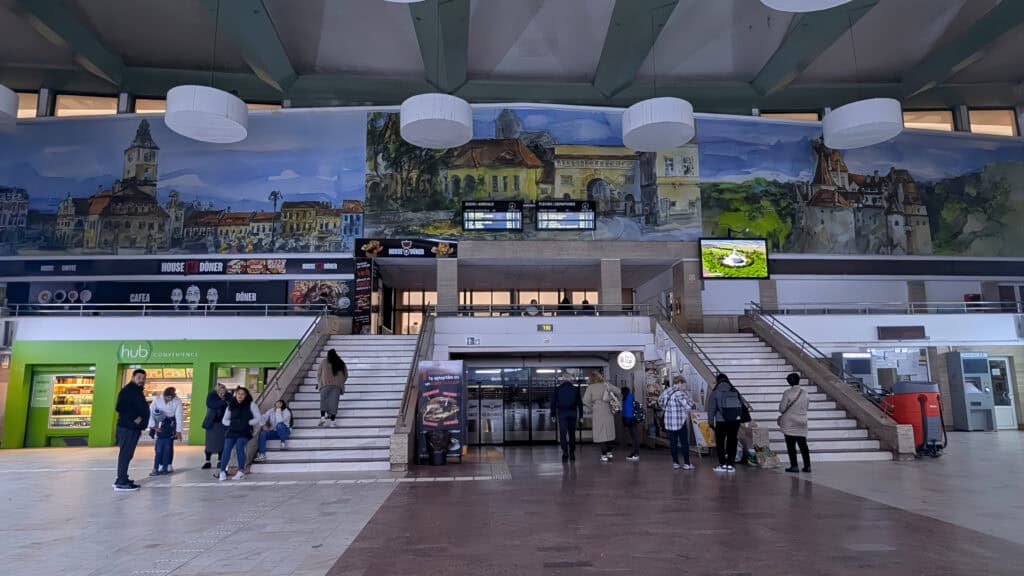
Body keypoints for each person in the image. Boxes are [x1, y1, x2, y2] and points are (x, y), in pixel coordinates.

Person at [113, 369, 150, 491]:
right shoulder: (128, 391)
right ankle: (121, 482)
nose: (141, 380)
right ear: (133, 377)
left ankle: (123, 478)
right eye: (139, 378)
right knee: (125, 454)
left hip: (132, 428)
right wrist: (134, 417)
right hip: (127, 428)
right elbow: (120, 407)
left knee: (128, 454)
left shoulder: (136, 391)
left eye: (143, 378)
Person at [219, 386, 261, 481]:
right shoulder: (231, 405)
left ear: (246, 395)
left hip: (244, 430)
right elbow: (224, 420)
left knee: (239, 447)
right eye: (238, 394)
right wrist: (232, 423)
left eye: (243, 394)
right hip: (232, 430)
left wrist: (247, 423)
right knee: (226, 449)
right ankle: (222, 471)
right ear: (235, 394)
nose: (240, 396)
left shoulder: (251, 405)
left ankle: (241, 471)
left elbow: (258, 417)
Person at [707, 373, 744, 473]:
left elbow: (711, 409)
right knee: (732, 441)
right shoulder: (734, 390)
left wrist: (710, 422)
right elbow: (741, 404)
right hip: (734, 421)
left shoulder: (715, 392)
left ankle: (722, 464)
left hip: (721, 421)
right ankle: (730, 465)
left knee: (720, 442)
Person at [582, 371, 620, 462]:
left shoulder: (590, 387)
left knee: (600, 433)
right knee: (609, 431)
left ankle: (603, 455)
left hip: (597, 411)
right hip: (607, 410)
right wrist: (611, 398)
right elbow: (618, 391)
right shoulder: (606, 384)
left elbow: (585, 400)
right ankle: (609, 452)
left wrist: (592, 407)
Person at [659, 376, 695, 470]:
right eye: (684, 384)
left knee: (673, 443)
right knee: (684, 443)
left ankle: (675, 463)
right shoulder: (680, 393)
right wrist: (691, 400)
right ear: (679, 383)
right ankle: (687, 464)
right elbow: (688, 406)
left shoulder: (666, 391)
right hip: (680, 422)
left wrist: (667, 410)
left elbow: (660, 402)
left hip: (669, 422)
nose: (684, 385)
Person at [779, 372, 811, 473]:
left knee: (791, 445)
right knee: (803, 444)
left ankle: (794, 466)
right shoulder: (805, 393)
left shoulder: (787, 393)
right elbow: (807, 407)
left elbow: (782, 409)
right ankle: (807, 466)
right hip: (802, 421)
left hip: (789, 422)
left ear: (789, 381)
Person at [147, 387, 183, 476]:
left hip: (170, 424)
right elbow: (150, 412)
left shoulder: (177, 401)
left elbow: (179, 416)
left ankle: (167, 465)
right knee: (159, 449)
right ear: (164, 395)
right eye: (167, 397)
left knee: (169, 446)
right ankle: (159, 465)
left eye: (171, 397)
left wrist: (178, 431)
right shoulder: (157, 399)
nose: (169, 399)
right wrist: (153, 426)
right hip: (158, 424)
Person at [550, 374, 582, 462]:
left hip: (562, 414)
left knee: (563, 434)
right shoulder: (575, 389)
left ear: (563, 379)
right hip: (573, 414)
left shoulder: (558, 389)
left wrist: (553, 414)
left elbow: (553, 402)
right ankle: (572, 453)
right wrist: (581, 416)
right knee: (572, 434)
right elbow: (580, 403)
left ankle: (565, 453)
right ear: (571, 379)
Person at [201, 383, 228, 470]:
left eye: (223, 391)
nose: (222, 393)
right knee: (209, 444)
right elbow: (211, 404)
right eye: (220, 391)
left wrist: (225, 400)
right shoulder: (211, 397)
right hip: (211, 424)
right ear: (216, 391)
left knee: (221, 443)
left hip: (222, 424)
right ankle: (207, 461)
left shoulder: (227, 397)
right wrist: (223, 401)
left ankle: (220, 461)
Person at [317, 349, 348, 427]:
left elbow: (319, 374)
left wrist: (320, 382)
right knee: (334, 403)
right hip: (336, 386)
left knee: (324, 401)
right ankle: (332, 421)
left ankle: (323, 417)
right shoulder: (341, 362)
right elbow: (346, 375)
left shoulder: (324, 361)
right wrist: (341, 382)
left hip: (325, 385)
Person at [620, 386, 640, 462]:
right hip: (632, 419)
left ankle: (635, 454)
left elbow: (626, 410)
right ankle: (635, 453)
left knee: (634, 437)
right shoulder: (630, 397)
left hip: (629, 419)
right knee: (634, 437)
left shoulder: (626, 398)